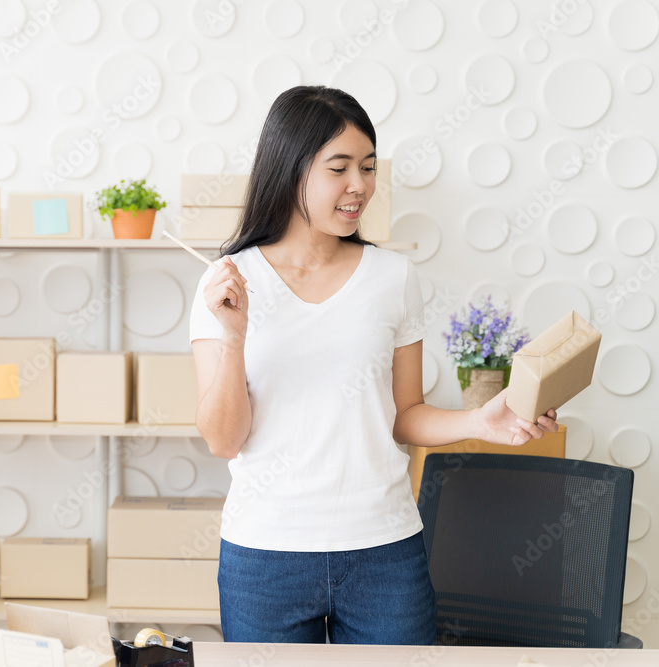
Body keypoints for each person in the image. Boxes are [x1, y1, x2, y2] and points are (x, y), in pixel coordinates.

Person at [188, 86, 558, 645]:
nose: (359, 185)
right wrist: (234, 336)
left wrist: (480, 420)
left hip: (384, 552)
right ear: (291, 173)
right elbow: (223, 439)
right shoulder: (227, 285)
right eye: (339, 168)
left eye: (367, 167)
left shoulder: (392, 277)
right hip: (266, 556)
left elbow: (403, 414)